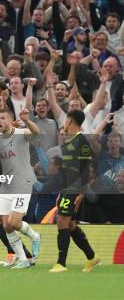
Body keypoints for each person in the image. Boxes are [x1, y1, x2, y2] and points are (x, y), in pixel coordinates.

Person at [49, 110, 100, 273]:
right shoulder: (70, 142)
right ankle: (92, 257)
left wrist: (80, 193)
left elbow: (88, 169)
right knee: (69, 224)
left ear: (69, 121)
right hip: (67, 189)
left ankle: (61, 263)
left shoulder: (82, 142)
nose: (64, 124)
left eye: (65, 121)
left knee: (62, 221)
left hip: (74, 189)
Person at [0, 108, 42, 269]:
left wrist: (27, 120)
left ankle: (35, 236)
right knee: (5, 225)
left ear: (10, 120)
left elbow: (36, 132)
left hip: (23, 182)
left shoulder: (21, 133)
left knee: (13, 222)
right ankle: (23, 259)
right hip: (6, 185)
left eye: (3, 118)